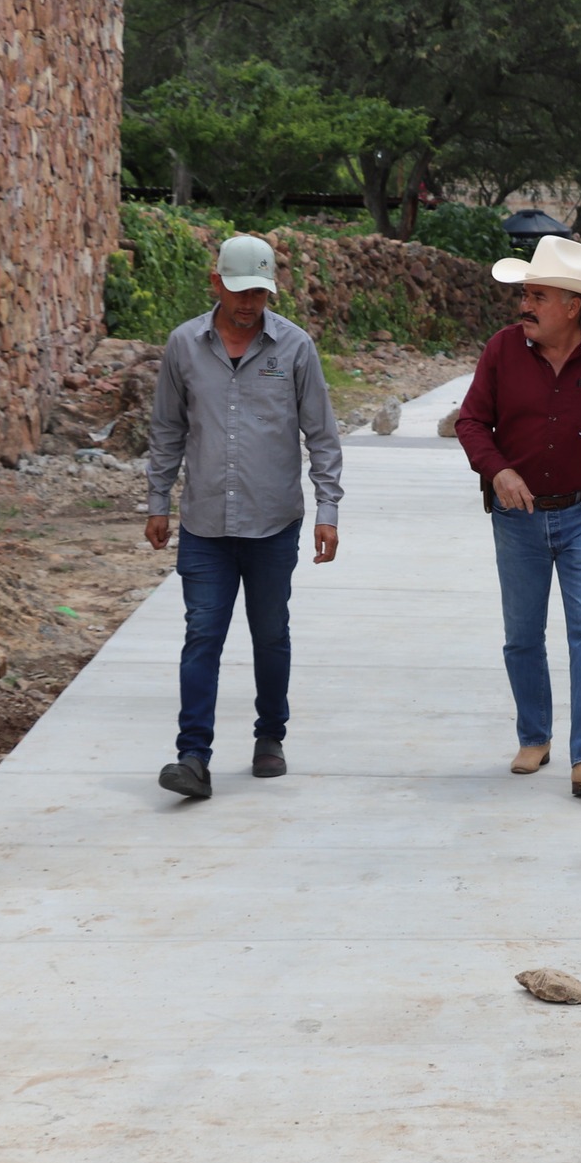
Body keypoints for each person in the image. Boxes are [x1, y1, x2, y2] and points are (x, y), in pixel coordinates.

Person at [454, 236, 581, 797]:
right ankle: (535, 735)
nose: (524, 306)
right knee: (522, 636)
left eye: (537, 296)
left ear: (572, 305)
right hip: (516, 518)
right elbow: (470, 423)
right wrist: (497, 470)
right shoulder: (501, 350)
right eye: (524, 294)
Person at [144, 234, 343, 800]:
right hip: (205, 523)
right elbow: (167, 431)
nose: (248, 303)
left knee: (270, 634)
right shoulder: (184, 346)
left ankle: (269, 736)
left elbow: (322, 436)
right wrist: (157, 501)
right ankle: (192, 756)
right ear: (216, 285)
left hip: (273, 522)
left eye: (258, 291)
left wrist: (328, 510)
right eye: (238, 291)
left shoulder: (295, 348)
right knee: (202, 635)